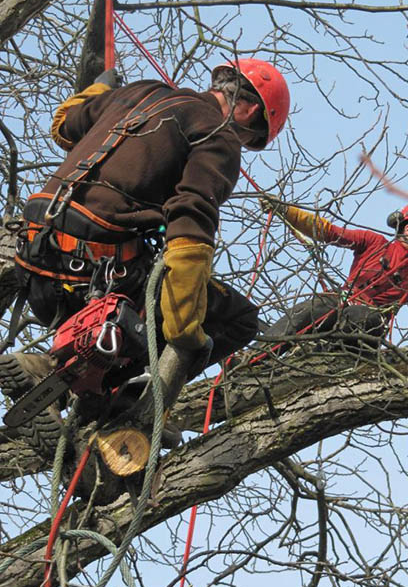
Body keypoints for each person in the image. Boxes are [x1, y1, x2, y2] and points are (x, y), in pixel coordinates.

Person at [0, 59, 290, 438]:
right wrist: (184, 323)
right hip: (92, 275)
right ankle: (126, 401)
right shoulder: (218, 134)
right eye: (251, 137)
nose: (244, 143)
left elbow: (65, 125)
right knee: (236, 318)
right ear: (251, 111)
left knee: (142, 266)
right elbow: (192, 216)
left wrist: (100, 91)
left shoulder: (141, 92)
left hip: (35, 259)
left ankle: (81, 385)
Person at [252, 199, 408, 357]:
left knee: (365, 316)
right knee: (310, 309)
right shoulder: (374, 243)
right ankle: (251, 359)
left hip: (366, 330)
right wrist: (286, 211)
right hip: (339, 304)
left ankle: (317, 353)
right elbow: (327, 231)